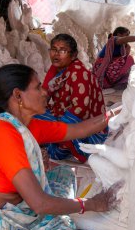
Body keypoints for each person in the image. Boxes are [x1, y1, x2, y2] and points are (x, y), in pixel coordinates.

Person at [0, 64, 122, 230]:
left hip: (16, 205)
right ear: (18, 96)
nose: (45, 93)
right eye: (38, 87)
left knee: (63, 173)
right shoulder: (2, 133)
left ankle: (57, 209)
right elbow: (39, 203)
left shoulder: (27, 125)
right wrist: (92, 204)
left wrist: (112, 114)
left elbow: (79, 130)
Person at [36, 33, 108, 163]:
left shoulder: (79, 74)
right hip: (65, 116)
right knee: (30, 115)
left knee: (39, 124)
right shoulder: (56, 70)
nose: (56, 54)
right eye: (53, 49)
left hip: (88, 131)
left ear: (74, 55)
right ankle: (55, 140)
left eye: (62, 50)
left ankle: (61, 144)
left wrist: (54, 128)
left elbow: (80, 112)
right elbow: (44, 97)